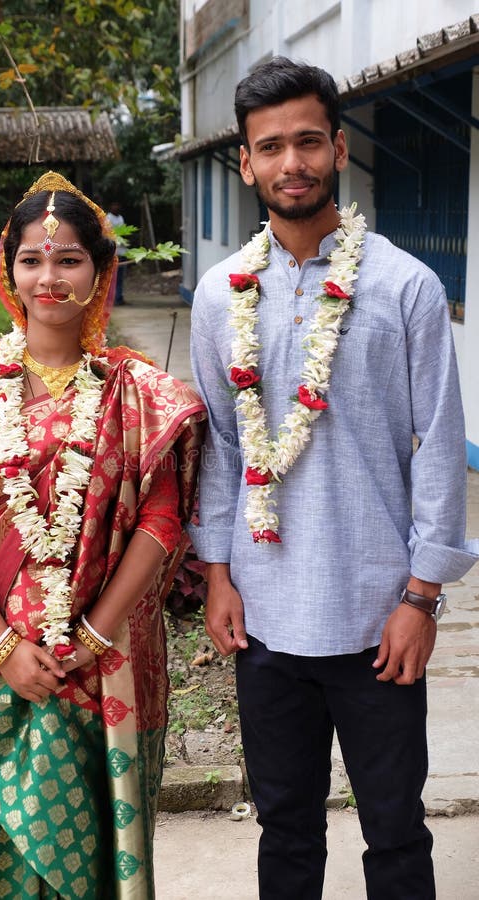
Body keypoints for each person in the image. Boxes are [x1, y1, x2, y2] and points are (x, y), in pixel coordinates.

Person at [189, 57, 479, 900]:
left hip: (378, 610)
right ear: (246, 162)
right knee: (285, 827)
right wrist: (216, 575)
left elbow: (437, 446)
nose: (292, 163)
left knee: (395, 828)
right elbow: (217, 446)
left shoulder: (405, 286)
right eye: (270, 146)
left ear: (339, 149)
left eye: (308, 141)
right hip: (265, 614)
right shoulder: (220, 296)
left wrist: (421, 597)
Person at [0, 171, 206, 899]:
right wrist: (3, 646)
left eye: (69, 258)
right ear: (7, 269)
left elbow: (161, 519)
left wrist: (94, 636)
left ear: (101, 271)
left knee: (84, 864)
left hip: (98, 669)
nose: (49, 277)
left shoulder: (136, 391)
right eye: (32, 259)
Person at [106, 200, 128, 305]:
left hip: (122, 251)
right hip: (113, 251)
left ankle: (118, 297)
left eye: (118, 205)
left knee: (120, 277)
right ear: (111, 206)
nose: (116, 207)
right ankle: (112, 299)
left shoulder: (120, 218)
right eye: (115, 204)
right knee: (112, 276)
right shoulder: (108, 218)